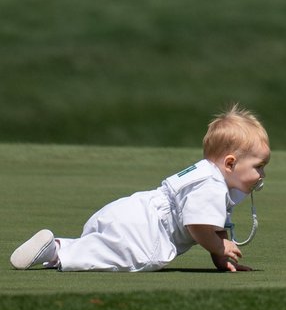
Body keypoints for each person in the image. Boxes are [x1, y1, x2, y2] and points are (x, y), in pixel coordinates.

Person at [10, 105, 269, 273]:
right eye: (259, 166)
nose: (262, 174)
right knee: (119, 259)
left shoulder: (204, 173)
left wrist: (219, 256)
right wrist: (219, 247)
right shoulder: (211, 186)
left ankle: (64, 246)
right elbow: (198, 226)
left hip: (131, 209)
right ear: (231, 163)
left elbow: (213, 224)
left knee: (103, 246)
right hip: (145, 232)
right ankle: (56, 250)